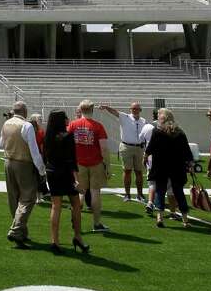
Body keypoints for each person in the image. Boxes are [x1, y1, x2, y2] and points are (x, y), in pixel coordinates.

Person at [42, 110, 90, 254]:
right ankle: (78, 236)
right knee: (75, 204)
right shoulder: (67, 136)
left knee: (55, 206)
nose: (68, 119)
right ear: (60, 120)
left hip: (52, 171)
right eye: (65, 118)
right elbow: (71, 160)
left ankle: (54, 241)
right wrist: (77, 179)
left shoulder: (47, 136)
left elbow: (45, 156)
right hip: (65, 173)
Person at [0, 100, 46, 246]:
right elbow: (34, 150)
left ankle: (21, 232)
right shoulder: (26, 125)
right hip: (23, 163)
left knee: (13, 197)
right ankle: (16, 229)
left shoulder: (6, 124)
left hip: (8, 162)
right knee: (28, 197)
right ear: (25, 112)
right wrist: (41, 169)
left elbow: (0, 142)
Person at [145, 109, 194, 228]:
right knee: (179, 193)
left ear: (163, 118)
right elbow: (186, 150)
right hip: (177, 167)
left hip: (160, 166)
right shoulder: (179, 132)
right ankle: (185, 220)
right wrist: (190, 164)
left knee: (160, 192)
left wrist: (145, 157)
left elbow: (150, 148)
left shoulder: (157, 132)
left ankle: (160, 217)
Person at [69, 100, 110, 232]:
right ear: (92, 110)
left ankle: (76, 223)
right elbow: (104, 149)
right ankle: (96, 223)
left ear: (80, 109)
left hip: (78, 163)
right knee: (95, 193)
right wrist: (107, 166)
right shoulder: (98, 126)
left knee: (79, 192)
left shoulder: (72, 125)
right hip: (95, 163)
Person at [101, 102, 147, 202]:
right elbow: (114, 112)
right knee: (127, 171)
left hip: (139, 148)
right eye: (133, 108)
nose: (135, 110)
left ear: (140, 110)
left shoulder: (143, 121)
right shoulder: (125, 117)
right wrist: (106, 107)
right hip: (126, 147)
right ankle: (127, 194)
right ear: (130, 109)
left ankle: (140, 194)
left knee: (139, 172)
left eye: (137, 109)